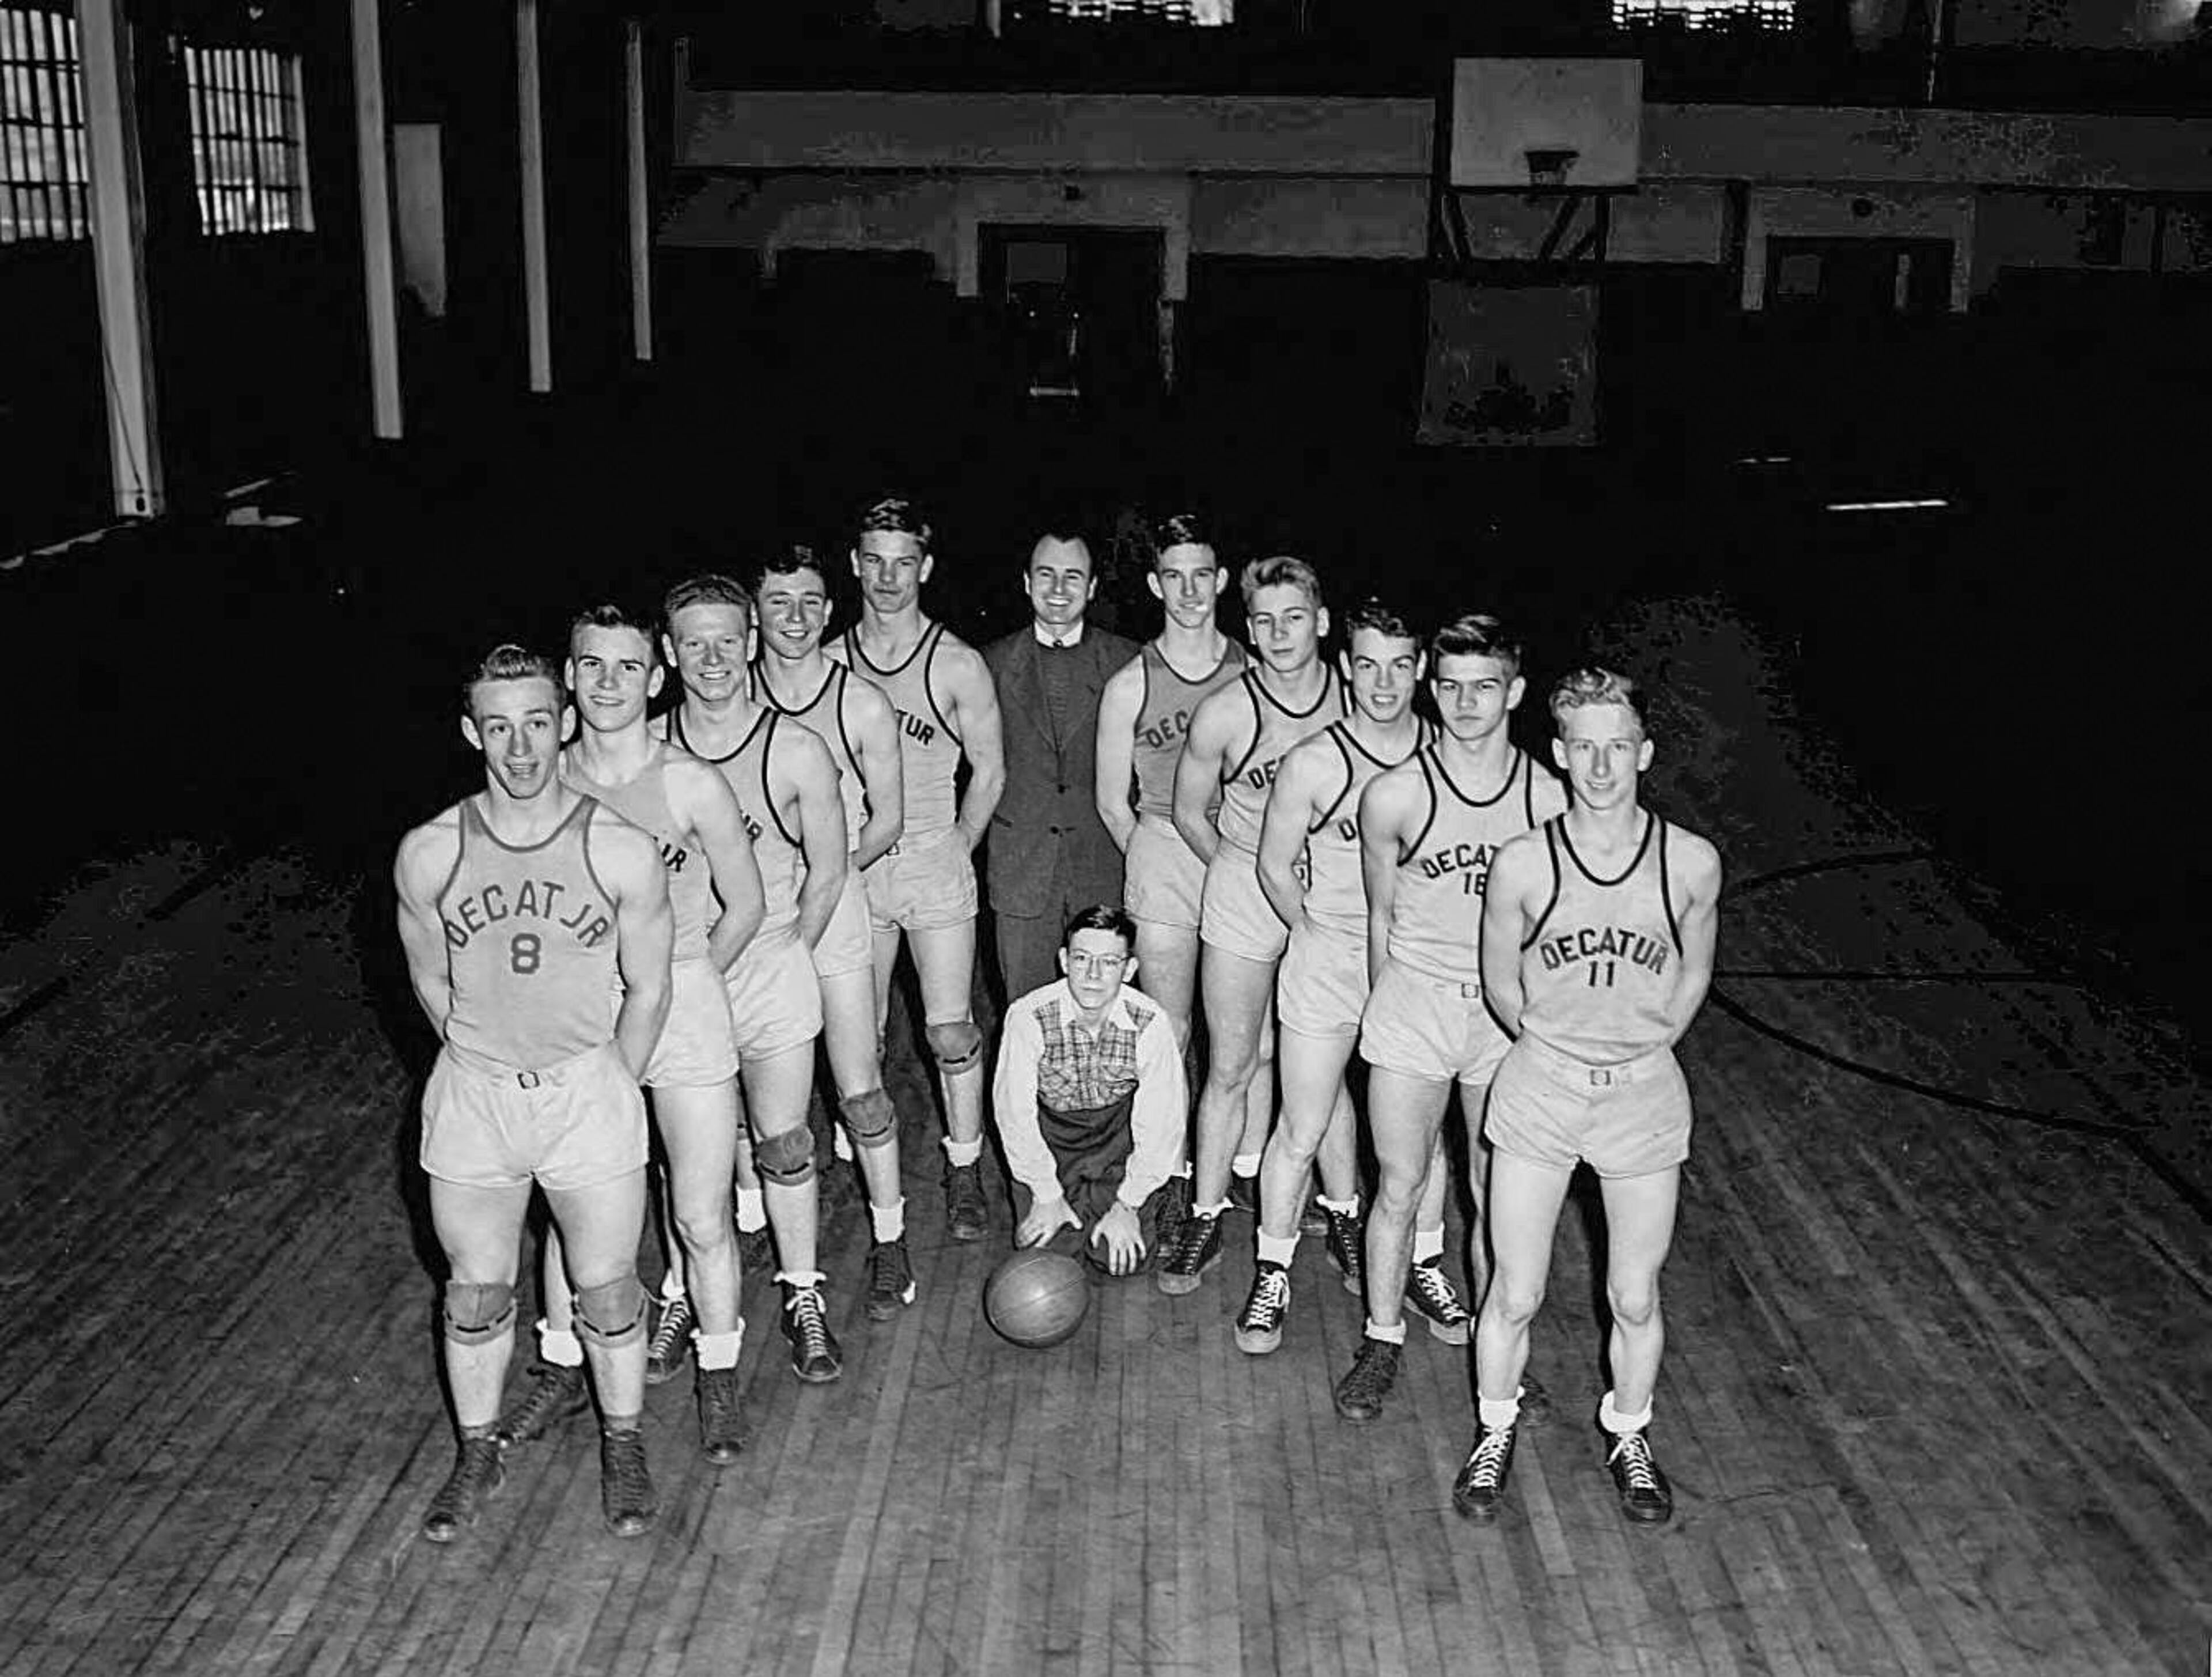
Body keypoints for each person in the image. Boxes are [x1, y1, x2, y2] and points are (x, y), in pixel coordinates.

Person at [393, 644, 672, 1541]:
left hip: (587, 1087)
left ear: (566, 724)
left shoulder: (622, 848)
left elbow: (653, 986)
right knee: (475, 1292)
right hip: (477, 1098)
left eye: (538, 722)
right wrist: (491, 1063)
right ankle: (477, 1449)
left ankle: (622, 1443)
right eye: (499, 726)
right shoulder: (430, 851)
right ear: (471, 730)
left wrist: (601, 1079)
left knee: (609, 1288)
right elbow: (432, 985)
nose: (520, 747)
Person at [497, 606, 766, 1466]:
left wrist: (688, 979)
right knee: (568, 1207)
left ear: (657, 680)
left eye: (626, 667)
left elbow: (748, 902)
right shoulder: (542, 782)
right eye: (591, 666)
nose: (608, 681)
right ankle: (562, 1360)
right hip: (579, 1013)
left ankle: (717, 1373)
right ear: (568, 680)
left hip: (681, 1001)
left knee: (698, 1210)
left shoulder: (691, 782)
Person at [1452, 668, 1721, 1527]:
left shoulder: (1691, 861)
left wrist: (1638, 1050)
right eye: (1584, 747)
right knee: (1516, 1289)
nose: (1601, 764)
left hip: (1642, 1095)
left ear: (1643, 751)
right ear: (1560, 754)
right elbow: (1499, 978)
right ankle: (1495, 1429)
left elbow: (1696, 973)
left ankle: (1630, 1430)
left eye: (1618, 745)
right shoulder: (1524, 862)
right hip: (1540, 1088)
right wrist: (1559, 1048)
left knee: (1635, 1293)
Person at [1334, 613, 1568, 1423]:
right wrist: (1378, 1015)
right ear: (1435, 690)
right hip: (1414, 1006)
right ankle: (1381, 1334)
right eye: (1453, 687)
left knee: (1493, 1188)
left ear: (1517, 691)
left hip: (1504, 1020)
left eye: (1487, 686)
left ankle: (1498, 1357)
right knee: (1399, 1184)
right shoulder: (1394, 793)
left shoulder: (1547, 796)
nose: (1468, 703)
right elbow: (1377, 915)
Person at [658, 575, 853, 1384]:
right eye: (693, 642)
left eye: (726, 639)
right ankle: (679, 1291)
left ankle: (803, 1290)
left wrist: (787, 953)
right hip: (674, 979)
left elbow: (830, 867)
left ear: (752, 642)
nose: (712, 658)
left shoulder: (795, 746)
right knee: (684, 1160)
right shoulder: (644, 748)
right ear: (668, 652)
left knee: (785, 1141)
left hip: (766, 962)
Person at [1233, 600, 1426, 1355]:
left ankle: (1426, 1261)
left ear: (1420, 671)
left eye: (1401, 665)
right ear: (1346, 666)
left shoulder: (1440, 755)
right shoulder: (1315, 759)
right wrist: (1314, 925)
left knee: (1418, 1143)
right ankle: (1272, 1270)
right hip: (1328, 962)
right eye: (1369, 664)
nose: (1384, 682)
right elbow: (1274, 864)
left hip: (1412, 968)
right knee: (1301, 1123)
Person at [1157, 554, 1349, 1296]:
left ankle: (1342, 1212)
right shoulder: (1226, 711)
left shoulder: (1355, 703)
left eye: (1294, 617)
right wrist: (1241, 867)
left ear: (1322, 622)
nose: (1278, 634)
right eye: (1264, 620)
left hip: (1330, 887)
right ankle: (1205, 1215)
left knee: (1324, 1074)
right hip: (1243, 881)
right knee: (1232, 1064)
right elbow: (1185, 808)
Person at [828, 496, 1006, 1241]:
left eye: (905, 561)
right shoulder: (831, 662)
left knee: (950, 1029)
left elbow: (991, 769)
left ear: (926, 567)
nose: (890, 576)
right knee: (856, 1033)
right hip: (857, 867)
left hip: (933, 856)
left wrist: (957, 844)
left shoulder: (957, 660)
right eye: (876, 559)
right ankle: (856, 1170)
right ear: (855, 564)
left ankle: (963, 1166)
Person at [751, 546, 918, 1322]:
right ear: (756, 611)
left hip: (835, 903)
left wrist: (825, 870)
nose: (794, 616)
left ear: (829, 608)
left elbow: (888, 816)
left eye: (808, 601)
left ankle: (891, 1235)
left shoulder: (862, 703)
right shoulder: (730, 694)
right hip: (747, 916)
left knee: (860, 1082)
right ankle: (756, 1223)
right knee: (750, 1089)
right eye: (778, 601)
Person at [982, 527, 1139, 1004]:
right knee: (1025, 1013)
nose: (1058, 589)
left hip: (1103, 863)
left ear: (1092, 588)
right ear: (1026, 582)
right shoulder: (988, 664)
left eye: (1074, 577)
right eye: (1046, 574)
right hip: (1022, 867)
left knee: (1107, 1015)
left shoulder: (1128, 662)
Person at [996, 906, 1188, 1277]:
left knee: (1122, 1259)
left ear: (1129, 970)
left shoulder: (1151, 1022)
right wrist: (1045, 1193)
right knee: (1044, 1262)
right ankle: (1063, 1205)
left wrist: (1128, 1206)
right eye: (1082, 959)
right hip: (1052, 1140)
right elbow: (1014, 1115)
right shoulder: (1028, 1016)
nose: (1094, 975)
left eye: (1110, 962)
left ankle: (1133, 1207)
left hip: (1117, 1141)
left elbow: (1162, 1123)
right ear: (1065, 961)